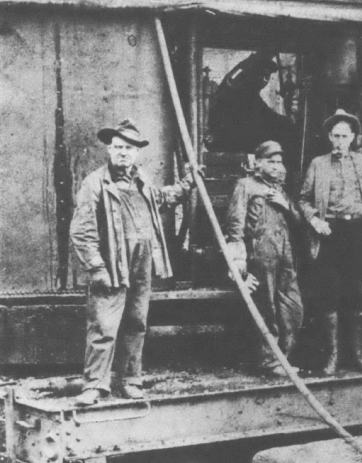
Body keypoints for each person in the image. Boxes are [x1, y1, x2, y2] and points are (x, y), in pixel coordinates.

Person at [70, 119, 194, 405]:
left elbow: (162, 198)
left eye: (128, 148)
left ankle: (129, 380)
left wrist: (188, 184)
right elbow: (81, 230)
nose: (122, 152)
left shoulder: (143, 180)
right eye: (117, 147)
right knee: (104, 326)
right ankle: (94, 385)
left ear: (137, 152)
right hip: (113, 264)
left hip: (142, 263)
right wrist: (96, 266)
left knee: (136, 322)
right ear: (109, 150)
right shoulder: (95, 183)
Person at [298, 109, 362, 375]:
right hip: (329, 232)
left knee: (356, 293)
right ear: (329, 137)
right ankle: (332, 357)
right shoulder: (318, 164)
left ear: (354, 137)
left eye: (344, 136)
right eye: (335, 136)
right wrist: (315, 221)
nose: (339, 141)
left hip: (358, 231)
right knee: (329, 293)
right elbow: (303, 199)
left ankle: (358, 356)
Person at [224, 141, 304, 376]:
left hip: (285, 255)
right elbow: (234, 224)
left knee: (293, 307)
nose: (277, 166)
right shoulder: (245, 185)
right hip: (260, 255)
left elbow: (300, 222)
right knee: (266, 307)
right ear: (258, 163)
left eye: (279, 162)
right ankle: (269, 362)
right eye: (271, 161)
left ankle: (284, 356)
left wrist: (285, 205)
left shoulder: (281, 190)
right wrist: (238, 264)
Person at [207, 53, 297, 160]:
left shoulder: (252, 96)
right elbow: (267, 117)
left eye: (267, 76)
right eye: (262, 75)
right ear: (253, 75)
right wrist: (288, 123)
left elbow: (268, 115)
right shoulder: (243, 95)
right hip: (233, 147)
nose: (265, 80)